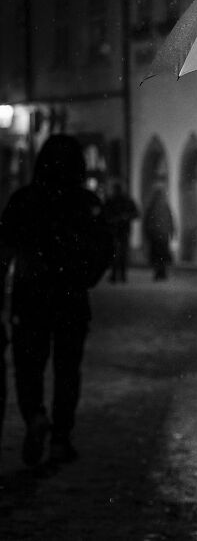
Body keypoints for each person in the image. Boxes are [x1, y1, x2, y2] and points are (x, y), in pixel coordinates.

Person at [0, 134, 113, 466]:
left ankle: (34, 415)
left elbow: (3, 248)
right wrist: (85, 276)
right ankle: (61, 438)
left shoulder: (24, 200)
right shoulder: (86, 203)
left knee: (28, 368)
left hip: (30, 299)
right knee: (67, 371)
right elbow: (105, 248)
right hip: (70, 299)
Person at [104, 181, 140, 283]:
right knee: (119, 252)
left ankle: (117, 275)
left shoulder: (116, 201)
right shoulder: (124, 200)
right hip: (119, 230)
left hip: (119, 230)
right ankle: (119, 275)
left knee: (118, 252)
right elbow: (136, 213)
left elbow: (136, 213)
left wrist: (124, 217)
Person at [143, 189, 174, 281]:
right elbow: (170, 219)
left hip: (155, 235)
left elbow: (147, 221)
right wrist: (172, 231)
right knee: (162, 254)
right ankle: (162, 273)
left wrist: (147, 233)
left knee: (157, 255)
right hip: (162, 235)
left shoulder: (151, 206)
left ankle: (158, 273)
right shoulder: (165, 206)